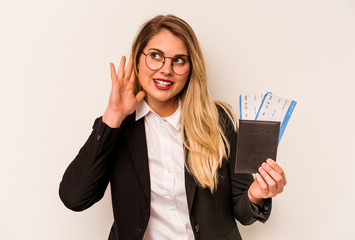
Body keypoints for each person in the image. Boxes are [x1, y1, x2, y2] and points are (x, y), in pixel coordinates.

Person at [59, 14, 287, 240]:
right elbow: (74, 198)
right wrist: (112, 117)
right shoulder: (116, 128)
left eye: (179, 60)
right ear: (138, 59)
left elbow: (243, 213)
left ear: (190, 69)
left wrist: (256, 195)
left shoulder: (219, 121)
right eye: (155, 56)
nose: (166, 69)